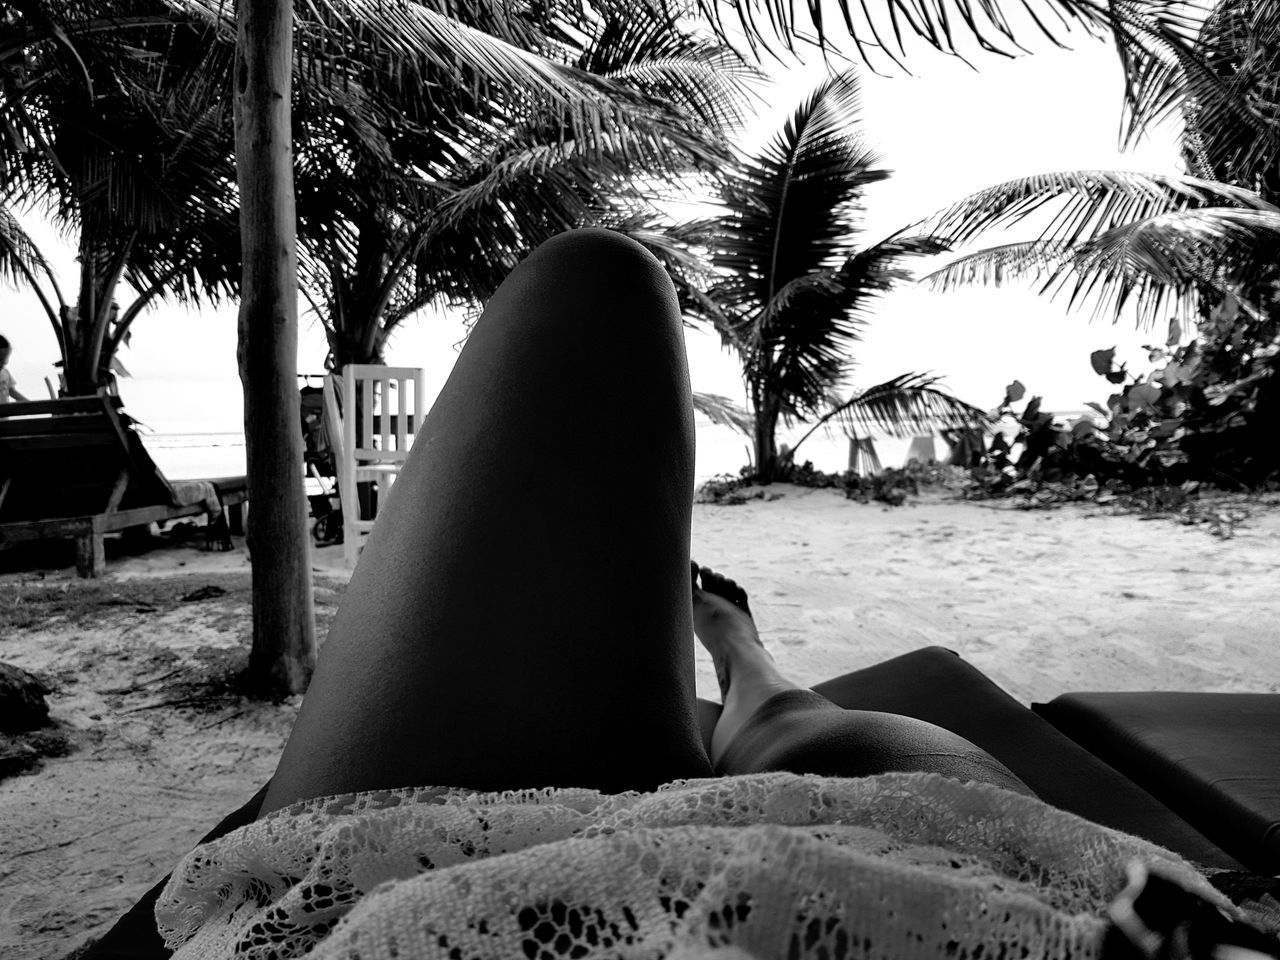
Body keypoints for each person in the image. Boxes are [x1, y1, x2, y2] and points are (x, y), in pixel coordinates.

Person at [87, 229, 1235, 960]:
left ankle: (742, 664)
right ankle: (744, 661)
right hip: (988, 907)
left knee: (593, 284)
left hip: (412, 904)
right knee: (818, 742)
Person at [0, 333, 30, 403]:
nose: (5, 363)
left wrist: (31, 405)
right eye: (0, 359)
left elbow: (11, 391)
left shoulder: (5, 373)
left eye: (5, 359)